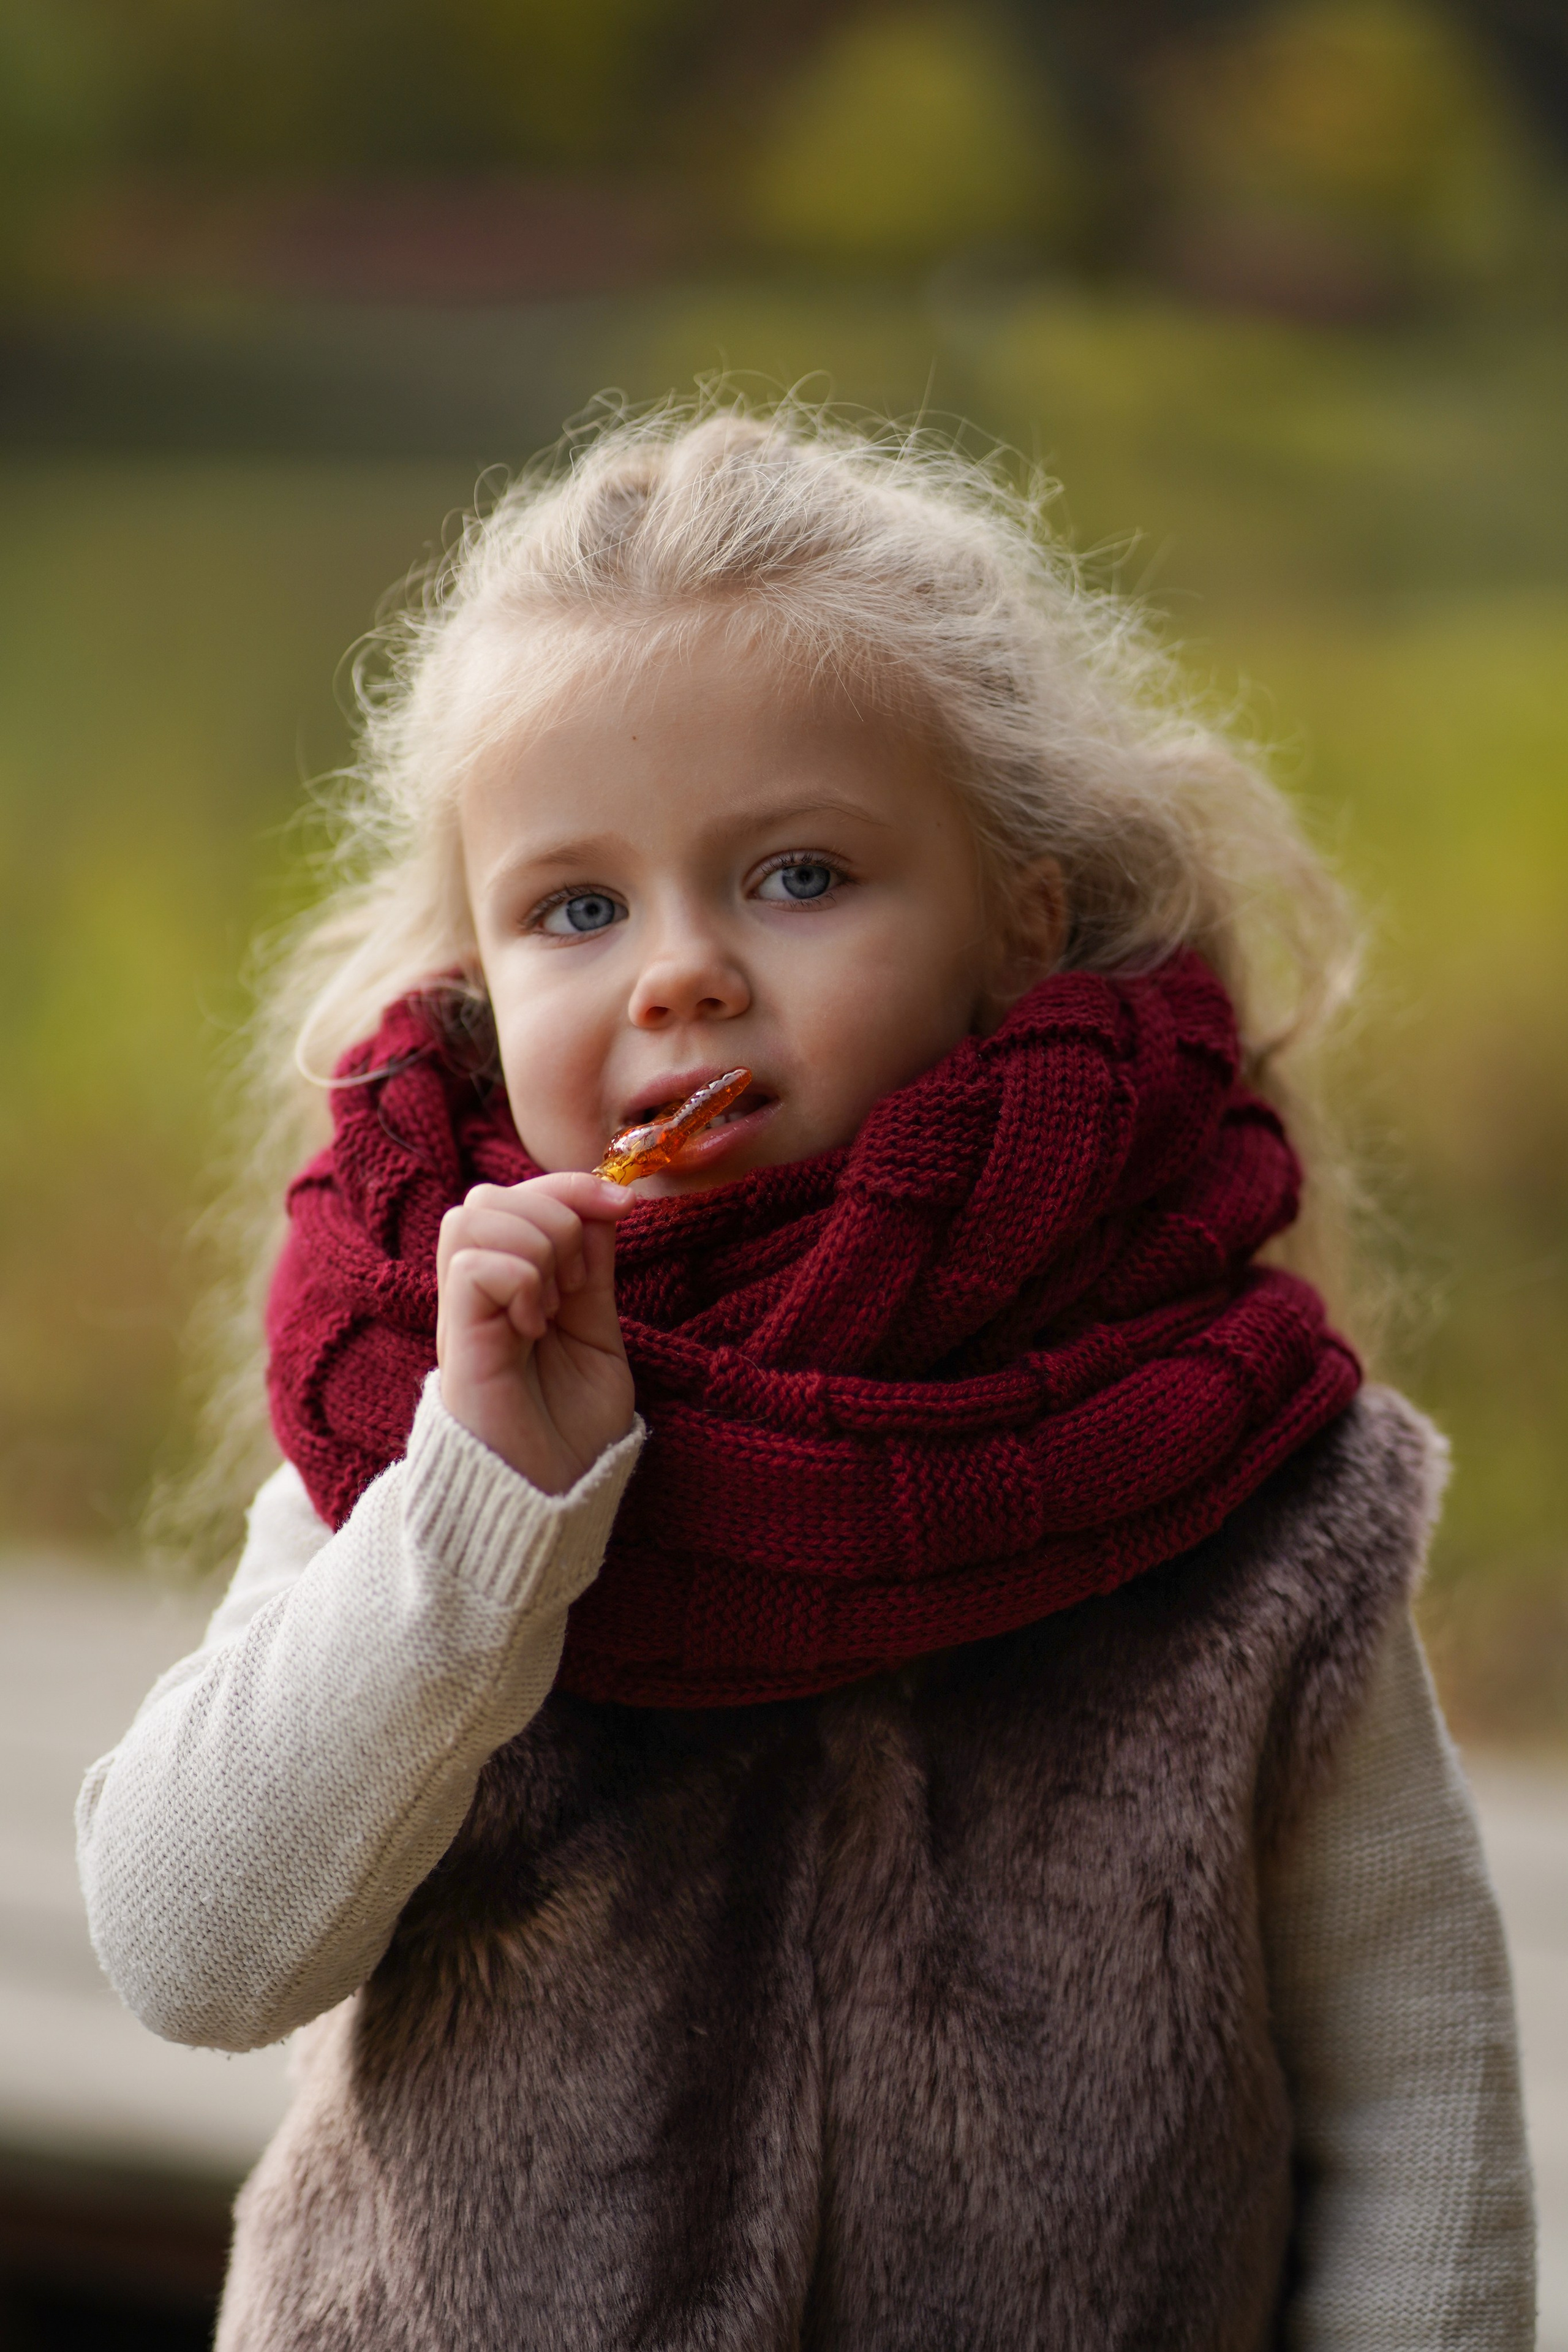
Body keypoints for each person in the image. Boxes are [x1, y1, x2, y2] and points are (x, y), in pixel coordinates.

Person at [77, 404, 1534, 2350]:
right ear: (477, 982)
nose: (677, 972)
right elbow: (190, 1953)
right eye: (576, 908)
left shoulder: (1240, 1475)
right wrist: (478, 1522)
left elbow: (1418, 2101)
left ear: (1016, 919)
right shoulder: (435, 1407)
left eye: (798, 877)